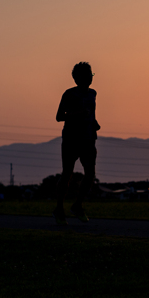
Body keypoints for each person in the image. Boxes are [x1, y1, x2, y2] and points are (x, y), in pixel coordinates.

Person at [54, 62, 100, 224]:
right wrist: (78, 113)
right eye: (87, 75)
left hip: (88, 139)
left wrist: (94, 123)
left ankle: (77, 205)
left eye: (91, 75)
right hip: (71, 139)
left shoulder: (93, 94)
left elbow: (91, 113)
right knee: (67, 173)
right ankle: (59, 209)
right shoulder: (69, 94)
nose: (90, 78)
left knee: (90, 174)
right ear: (77, 78)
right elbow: (59, 116)